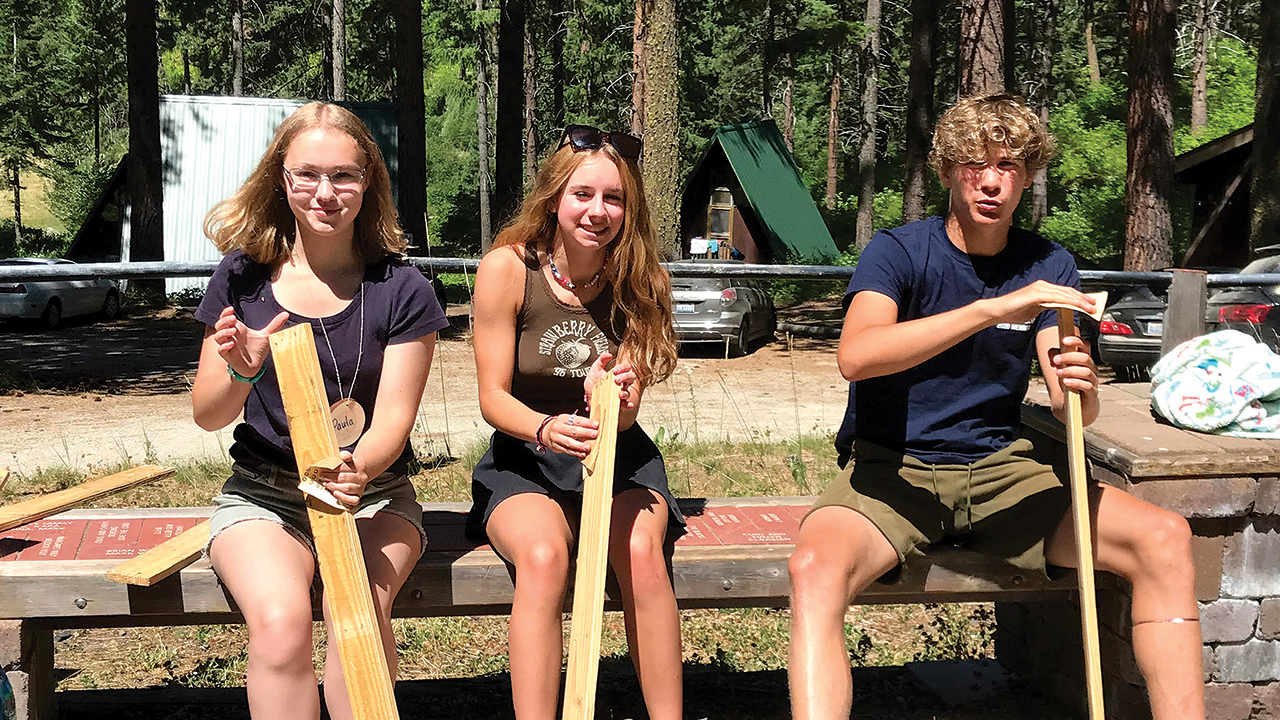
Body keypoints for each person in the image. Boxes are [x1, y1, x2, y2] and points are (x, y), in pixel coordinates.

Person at [787, 93, 1203, 720]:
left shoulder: (1048, 264)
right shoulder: (898, 252)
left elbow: (1073, 414)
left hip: (1003, 471)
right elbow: (858, 356)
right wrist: (989, 310)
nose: (991, 181)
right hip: (890, 471)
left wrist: (1078, 386)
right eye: (975, 163)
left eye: (1009, 165)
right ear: (949, 169)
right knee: (814, 568)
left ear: (1028, 176)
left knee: (1164, 538)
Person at [191, 102, 449, 720]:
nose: (324, 193)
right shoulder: (242, 278)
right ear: (282, 179)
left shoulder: (403, 287)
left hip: (374, 496)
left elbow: (393, 421)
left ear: (369, 185)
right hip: (264, 495)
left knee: (354, 614)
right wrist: (242, 369)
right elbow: (208, 413)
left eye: (344, 176)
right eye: (307, 174)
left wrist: (359, 466)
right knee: (281, 628)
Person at [467, 124, 685, 720]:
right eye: (582, 194)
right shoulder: (509, 270)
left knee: (641, 550)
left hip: (618, 456)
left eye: (613, 198)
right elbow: (492, 397)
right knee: (543, 557)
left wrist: (615, 398)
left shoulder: (643, 279)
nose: (598, 211)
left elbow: (632, 401)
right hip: (526, 457)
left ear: (629, 206)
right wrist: (543, 427)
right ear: (554, 198)